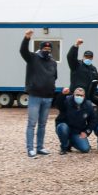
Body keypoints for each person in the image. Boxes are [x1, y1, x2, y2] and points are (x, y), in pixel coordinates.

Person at [20, 30, 58, 158]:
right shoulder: (33, 58)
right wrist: (27, 38)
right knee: (32, 123)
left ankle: (40, 147)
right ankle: (30, 149)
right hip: (35, 96)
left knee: (43, 124)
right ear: (40, 48)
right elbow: (23, 51)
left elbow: (54, 77)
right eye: (44, 47)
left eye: (49, 48)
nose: (47, 50)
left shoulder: (53, 62)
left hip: (47, 97)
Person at [55, 87, 97, 154]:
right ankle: (64, 147)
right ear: (73, 95)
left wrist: (86, 132)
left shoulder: (88, 105)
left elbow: (93, 120)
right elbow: (58, 105)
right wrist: (62, 94)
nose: (79, 97)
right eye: (77, 95)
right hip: (65, 127)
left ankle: (71, 142)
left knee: (85, 149)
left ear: (84, 96)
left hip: (77, 132)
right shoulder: (67, 100)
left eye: (81, 95)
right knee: (62, 127)